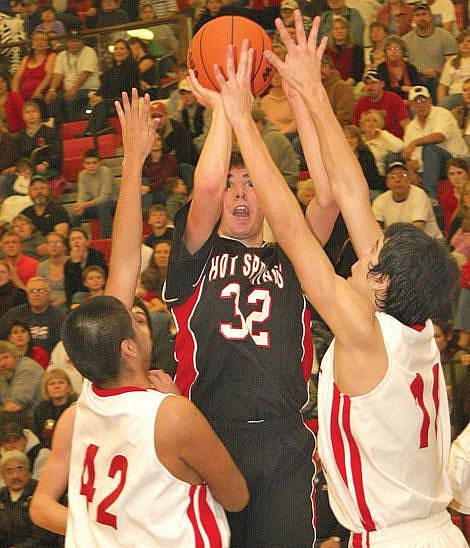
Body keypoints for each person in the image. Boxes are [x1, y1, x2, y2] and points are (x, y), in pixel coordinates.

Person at [228, 12, 466, 546]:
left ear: (381, 286)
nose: (361, 258)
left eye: (370, 260)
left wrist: (242, 121)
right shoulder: (414, 324)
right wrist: (311, 93)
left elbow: (290, 228)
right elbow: (354, 194)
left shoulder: (366, 333)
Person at [30, 89, 249, 545]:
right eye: (136, 318)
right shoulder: (171, 415)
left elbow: (124, 263)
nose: (140, 312)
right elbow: (237, 496)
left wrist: (132, 162)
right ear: (128, 347)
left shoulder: (86, 402)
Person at [164, 43, 339, 545]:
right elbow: (208, 184)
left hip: (283, 436)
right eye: (233, 186)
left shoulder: (291, 256)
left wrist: (301, 101)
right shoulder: (195, 252)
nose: (239, 193)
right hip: (210, 434)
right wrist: (225, 109)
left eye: (252, 183)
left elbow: (326, 199)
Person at [402, 85, 468, 199]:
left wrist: (414, 143)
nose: (420, 104)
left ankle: (431, 197)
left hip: (457, 161)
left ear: (430, 101)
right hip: (431, 168)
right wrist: (410, 171)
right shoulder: (411, 127)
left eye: (423, 100)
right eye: (416, 101)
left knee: (429, 149)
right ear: (411, 106)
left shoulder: (442, 114)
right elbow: (409, 157)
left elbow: (440, 136)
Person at [372, 160, 444, 240]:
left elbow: (417, 228)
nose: (398, 180)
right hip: (398, 243)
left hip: (429, 242)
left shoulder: (419, 194)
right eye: (393, 176)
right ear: (387, 183)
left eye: (403, 175)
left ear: (409, 180)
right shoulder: (380, 200)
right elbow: (375, 230)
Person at [0, 450, 61, 547]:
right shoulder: (1, 496)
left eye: (20, 469)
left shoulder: (42, 493)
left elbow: (45, 535)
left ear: (29, 471)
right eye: (9, 471)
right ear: (2, 476)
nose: (15, 476)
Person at [402, 2, 457, 102]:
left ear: (431, 16)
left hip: (439, 79)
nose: (421, 18)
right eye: (417, 15)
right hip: (415, 79)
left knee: (434, 82)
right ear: (413, 19)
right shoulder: (405, 40)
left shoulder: (445, 36)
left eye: (424, 14)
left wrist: (437, 72)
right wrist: (418, 73)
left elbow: (453, 63)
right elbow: (403, 66)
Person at [44, 30, 100, 124]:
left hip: (88, 90)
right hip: (69, 91)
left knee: (71, 98)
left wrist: (74, 89)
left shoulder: (89, 51)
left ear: (82, 41)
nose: (74, 43)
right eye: (71, 41)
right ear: (67, 42)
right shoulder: (62, 55)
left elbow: (85, 73)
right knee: (53, 99)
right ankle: (58, 129)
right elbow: (58, 74)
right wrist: (52, 90)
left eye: (77, 41)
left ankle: (74, 127)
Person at [0, 276, 63, 354]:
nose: (37, 294)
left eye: (41, 290)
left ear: (49, 294)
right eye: (32, 291)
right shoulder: (14, 314)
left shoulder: (58, 317)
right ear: (27, 295)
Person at [70, 148, 115, 239]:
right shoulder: (82, 175)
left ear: (99, 163)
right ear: (84, 165)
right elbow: (81, 195)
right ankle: (75, 238)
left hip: (112, 203)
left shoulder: (106, 171)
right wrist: (79, 205)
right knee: (75, 212)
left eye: (94, 163)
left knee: (103, 206)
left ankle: (105, 239)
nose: (91, 166)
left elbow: (105, 197)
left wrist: (84, 205)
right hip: (95, 205)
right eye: (88, 163)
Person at [352, 69, 409, 138]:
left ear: (382, 84)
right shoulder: (360, 104)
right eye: (367, 83)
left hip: (394, 144)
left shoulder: (394, 99)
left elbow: (407, 127)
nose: (370, 87)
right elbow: (356, 131)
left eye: (373, 82)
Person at [63, 228, 108, 307]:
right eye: (72, 239)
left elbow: (85, 286)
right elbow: (69, 289)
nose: (76, 242)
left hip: (96, 293)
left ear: (87, 242)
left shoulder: (97, 257)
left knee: (78, 296)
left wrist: (77, 264)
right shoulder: (68, 264)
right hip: (77, 298)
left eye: (79, 238)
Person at [33, 369, 77, 448]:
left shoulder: (76, 406)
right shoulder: (41, 409)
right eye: (52, 384)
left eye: (61, 382)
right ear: (46, 389)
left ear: (69, 387)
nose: (57, 386)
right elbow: (37, 435)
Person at [10, 30, 56, 105]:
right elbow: (16, 79)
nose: (40, 42)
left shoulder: (51, 56)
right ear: (32, 44)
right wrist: (16, 96)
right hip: (22, 95)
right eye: (36, 40)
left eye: (43, 39)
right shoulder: (26, 59)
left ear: (47, 44)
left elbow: (49, 75)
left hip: (40, 94)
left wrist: (38, 91)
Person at [0, 340, 44, 418]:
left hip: (36, 421)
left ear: (16, 356)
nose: (2, 364)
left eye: (6, 357)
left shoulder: (27, 368)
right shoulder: (4, 373)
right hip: (14, 419)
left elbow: (15, 405)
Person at [359, 108, 404, 176]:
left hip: (376, 176)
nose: (371, 123)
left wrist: (382, 133)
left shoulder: (384, 139)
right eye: (367, 121)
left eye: (375, 121)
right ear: (362, 124)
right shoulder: (359, 140)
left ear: (379, 123)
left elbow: (400, 147)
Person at [376, 35, 421, 100]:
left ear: (402, 51)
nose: (393, 52)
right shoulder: (381, 68)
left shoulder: (410, 68)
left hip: (410, 101)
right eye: (389, 49)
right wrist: (402, 88)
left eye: (396, 49)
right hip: (388, 100)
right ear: (385, 52)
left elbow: (417, 88)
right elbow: (383, 89)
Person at [324, 17, 364, 87]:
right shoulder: (326, 51)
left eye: (342, 28)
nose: (339, 31)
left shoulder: (356, 49)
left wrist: (345, 86)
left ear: (348, 31)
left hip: (350, 86)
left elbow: (357, 72)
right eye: (336, 28)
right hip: (330, 86)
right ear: (331, 31)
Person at [437, 30, 470, 110]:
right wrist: (441, 105)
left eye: (468, 41)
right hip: (455, 95)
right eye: (461, 42)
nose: (465, 44)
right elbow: (442, 87)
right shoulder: (451, 61)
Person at [37, 231, 68, 312]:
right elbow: (39, 288)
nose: (53, 245)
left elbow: (75, 289)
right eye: (50, 243)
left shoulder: (71, 264)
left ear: (64, 246)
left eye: (57, 243)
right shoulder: (41, 266)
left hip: (68, 304)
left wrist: (56, 304)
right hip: (46, 306)